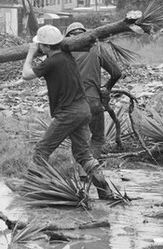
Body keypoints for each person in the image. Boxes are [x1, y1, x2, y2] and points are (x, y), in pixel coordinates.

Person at [21, 24, 114, 199]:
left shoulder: (52, 62)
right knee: (83, 154)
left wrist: (31, 52)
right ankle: (103, 188)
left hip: (68, 114)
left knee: (42, 150)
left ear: (46, 46)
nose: (39, 46)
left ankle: (29, 189)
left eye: (41, 44)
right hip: (83, 110)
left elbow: (26, 74)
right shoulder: (67, 56)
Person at [64, 21, 122, 163]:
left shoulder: (63, 51)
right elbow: (116, 73)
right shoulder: (97, 48)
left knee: (78, 139)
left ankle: (78, 174)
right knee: (96, 139)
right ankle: (89, 172)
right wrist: (107, 87)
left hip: (70, 103)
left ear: (68, 36)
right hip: (92, 101)